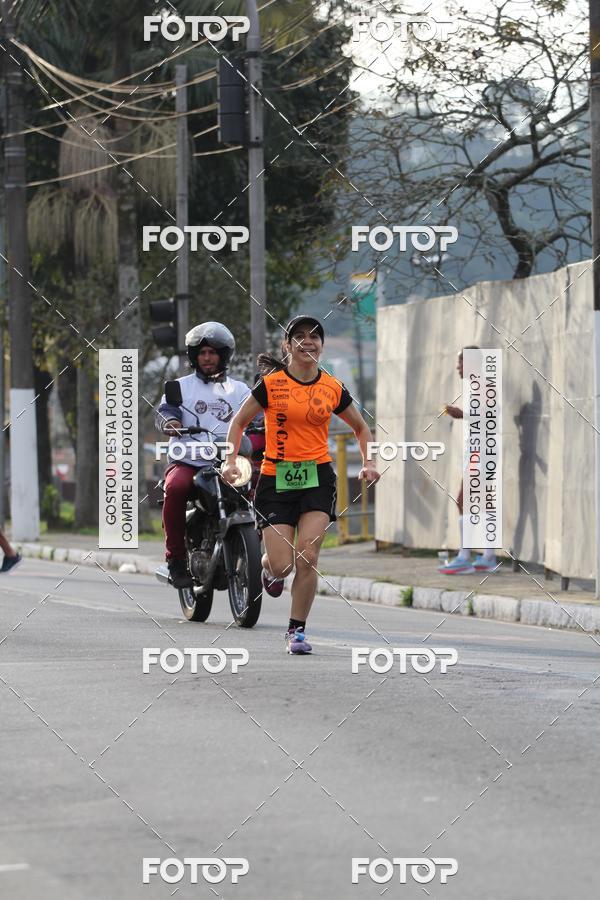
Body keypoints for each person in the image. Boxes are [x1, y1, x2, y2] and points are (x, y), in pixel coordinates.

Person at [221, 315, 380, 654]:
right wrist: (231, 460)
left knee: (308, 555)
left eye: (315, 337)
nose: (308, 342)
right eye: (300, 337)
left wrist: (369, 463)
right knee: (283, 564)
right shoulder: (272, 384)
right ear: (287, 345)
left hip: (317, 478)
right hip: (276, 478)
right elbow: (238, 423)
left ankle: (296, 631)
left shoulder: (332, 387)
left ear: (322, 345)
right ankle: (268, 569)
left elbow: (361, 428)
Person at [155, 322, 251, 588]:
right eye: (202, 353)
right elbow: (166, 411)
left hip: (228, 461)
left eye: (212, 352)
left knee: (257, 485)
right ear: (194, 356)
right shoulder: (179, 387)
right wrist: (170, 422)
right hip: (189, 459)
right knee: (176, 487)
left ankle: (260, 556)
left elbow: (257, 416)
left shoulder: (240, 390)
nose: (207, 358)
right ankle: (175, 558)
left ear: (224, 354)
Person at [440, 346, 497, 574]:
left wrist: (461, 414)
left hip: (481, 452)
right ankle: (487, 556)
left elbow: (490, 416)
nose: (457, 367)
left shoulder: (483, 385)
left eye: (461, 362)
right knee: (481, 502)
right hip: (478, 450)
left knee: (463, 500)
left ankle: (466, 556)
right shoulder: (477, 386)